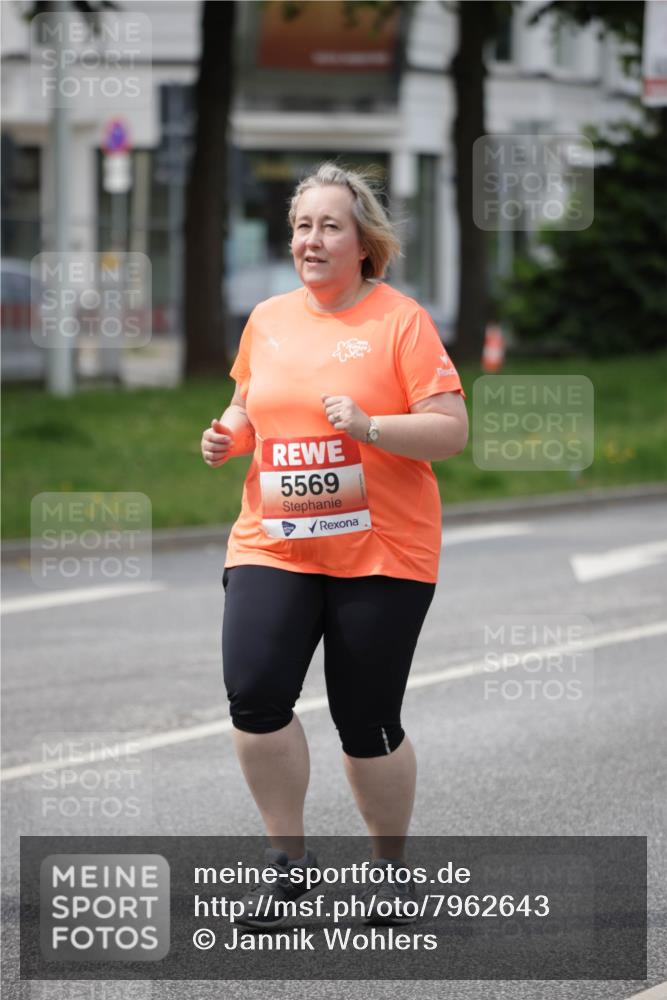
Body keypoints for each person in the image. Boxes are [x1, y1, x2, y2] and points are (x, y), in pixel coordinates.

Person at [200, 162, 468, 928]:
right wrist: (229, 435)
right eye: (300, 226)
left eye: (328, 226)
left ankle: (389, 872)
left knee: (366, 720)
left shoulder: (399, 322)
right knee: (255, 698)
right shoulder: (268, 319)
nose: (310, 240)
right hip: (274, 542)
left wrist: (370, 427)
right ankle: (288, 869)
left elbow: (450, 429)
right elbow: (248, 401)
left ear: (362, 243)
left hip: (381, 550)